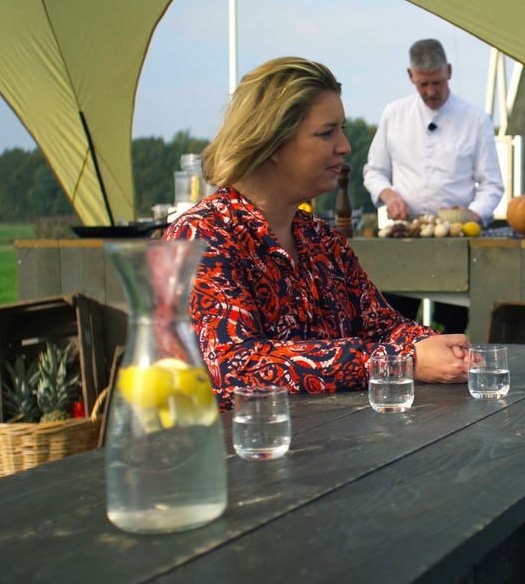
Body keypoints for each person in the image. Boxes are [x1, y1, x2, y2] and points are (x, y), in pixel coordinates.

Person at [165, 57, 470, 409]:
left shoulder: (319, 238)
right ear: (273, 142)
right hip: (243, 455)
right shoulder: (202, 236)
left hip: (334, 448)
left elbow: (383, 325)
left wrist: (437, 347)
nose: (345, 146)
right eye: (327, 132)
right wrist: (402, 361)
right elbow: (238, 369)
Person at [363, 38, 505, 333]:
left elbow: (491, 185)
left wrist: (472, 215)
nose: (431, 92)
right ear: (410, 76)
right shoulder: (394, 114)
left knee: (451, 324)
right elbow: (374, 171)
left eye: (437, 83)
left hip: (455, 238)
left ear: (449, 72)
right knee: (393, 321)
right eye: (423, 84)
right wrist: (388, 195)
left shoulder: (476, 119)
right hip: (405, 235)